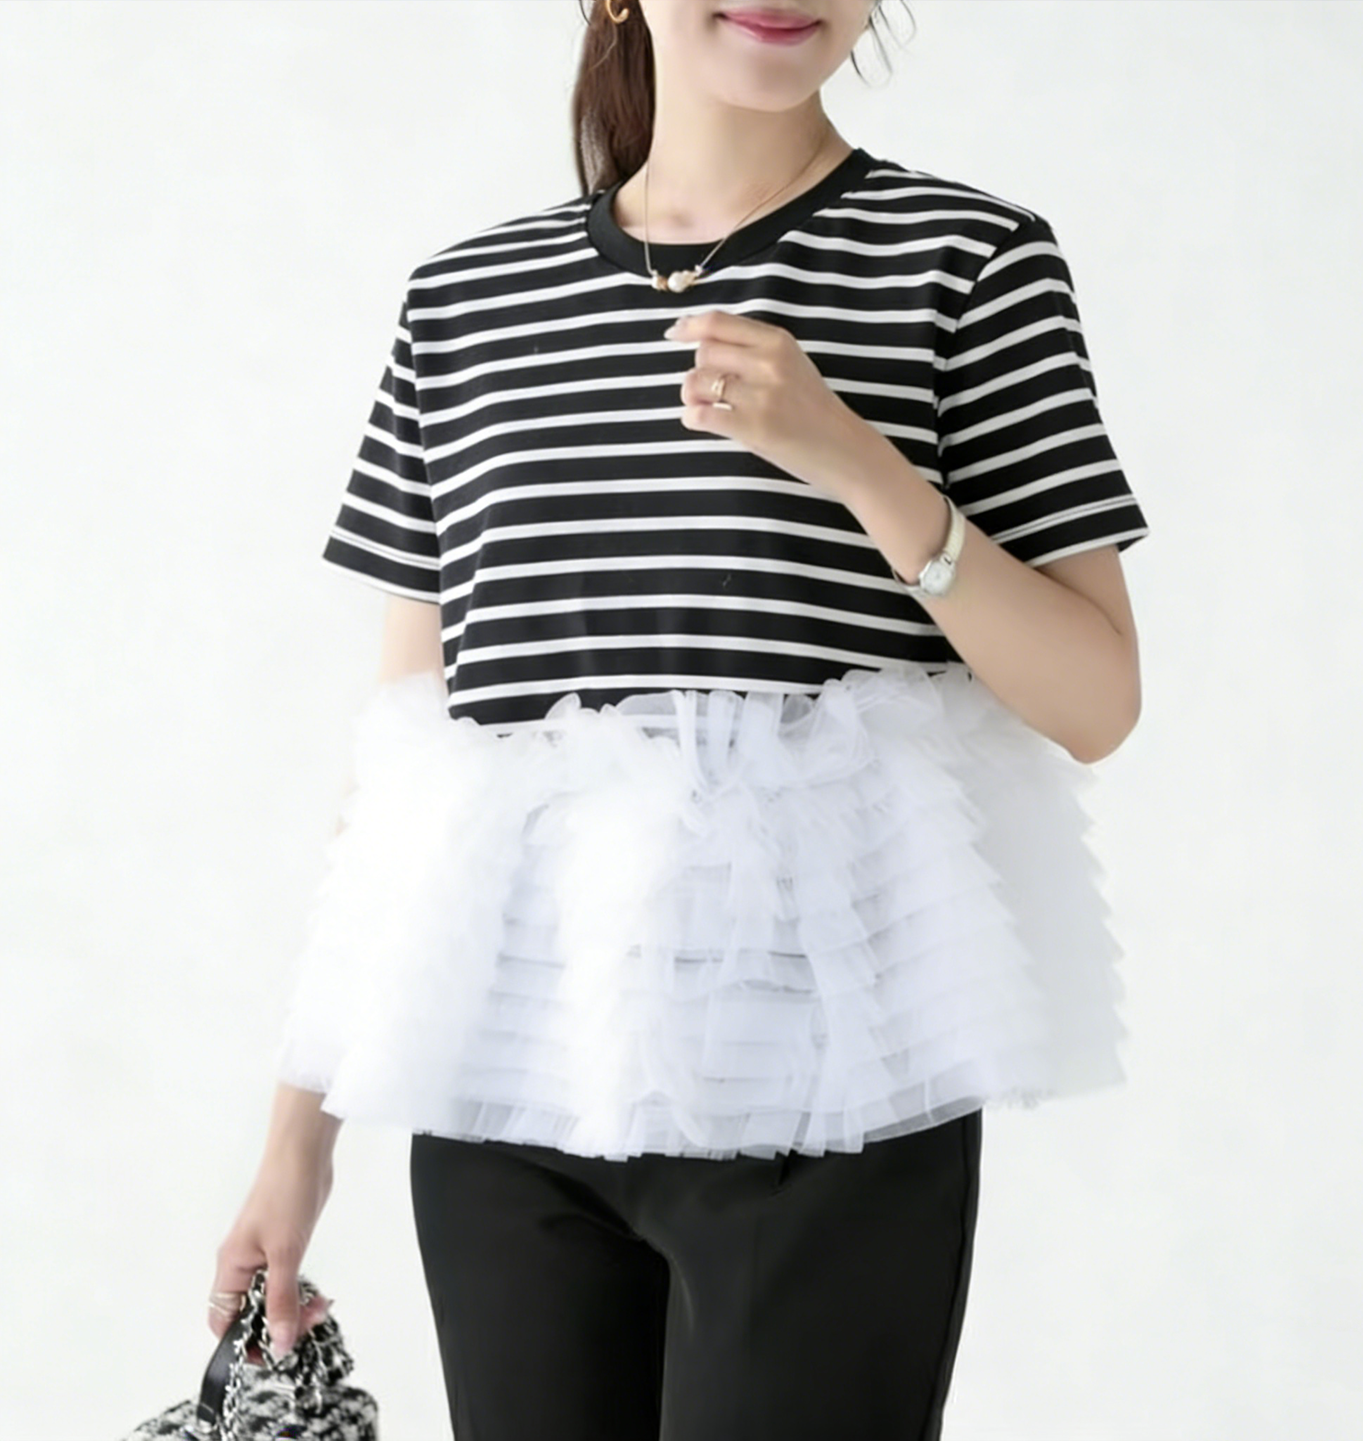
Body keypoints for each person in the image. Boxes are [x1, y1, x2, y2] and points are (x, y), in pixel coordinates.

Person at [210, 1, 1150, 1436]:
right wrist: (298, 1144)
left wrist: (854, 460)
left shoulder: (968, 262)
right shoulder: (466, 302)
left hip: (833, 1093)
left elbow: (1096, 698)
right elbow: (407, 780)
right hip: (507, 1096)